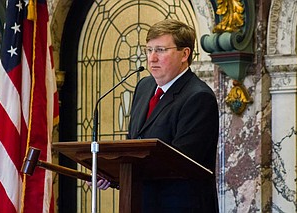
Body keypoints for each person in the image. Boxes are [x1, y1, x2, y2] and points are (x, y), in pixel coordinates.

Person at [88, 19, 219, 212]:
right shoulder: (144, 86)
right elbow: (134, 143)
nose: (152, 58)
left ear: (185, 54)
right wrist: (111, 172)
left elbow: (179, 164)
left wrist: (120, 172)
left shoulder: (198, 97)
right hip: (139, 202)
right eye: (149, 50)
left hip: (179, 206)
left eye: (161, 50)